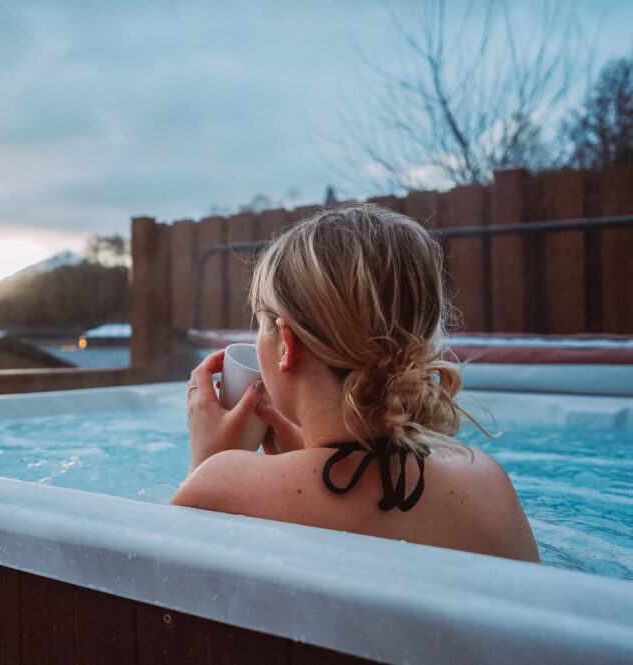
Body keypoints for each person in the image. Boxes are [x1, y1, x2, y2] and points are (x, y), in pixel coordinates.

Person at [171, 204, 539, 562]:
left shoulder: (225, 483)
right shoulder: (488, 483)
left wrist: (208, 462)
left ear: (288, 345)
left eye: (262, 323)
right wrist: (307, 459)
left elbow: (159, 592)